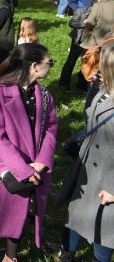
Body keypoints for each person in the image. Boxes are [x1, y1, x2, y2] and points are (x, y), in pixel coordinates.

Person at [0, 44, 57, 262]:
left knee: (19, 213)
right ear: (35, 66)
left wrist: (42, 161)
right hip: (2, 165)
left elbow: (51, 130)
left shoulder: (45, 96)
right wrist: (22, 169)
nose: (51, 67)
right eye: (49, 63)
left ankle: (10, 257)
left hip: (33, 167)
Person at [58, 43, 114, 261]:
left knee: (105, 227)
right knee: (77, 214)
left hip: (108, 175)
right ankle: (67, 253)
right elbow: (90, 114)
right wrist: (94, 89)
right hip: (88, 165)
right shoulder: (105, 89)